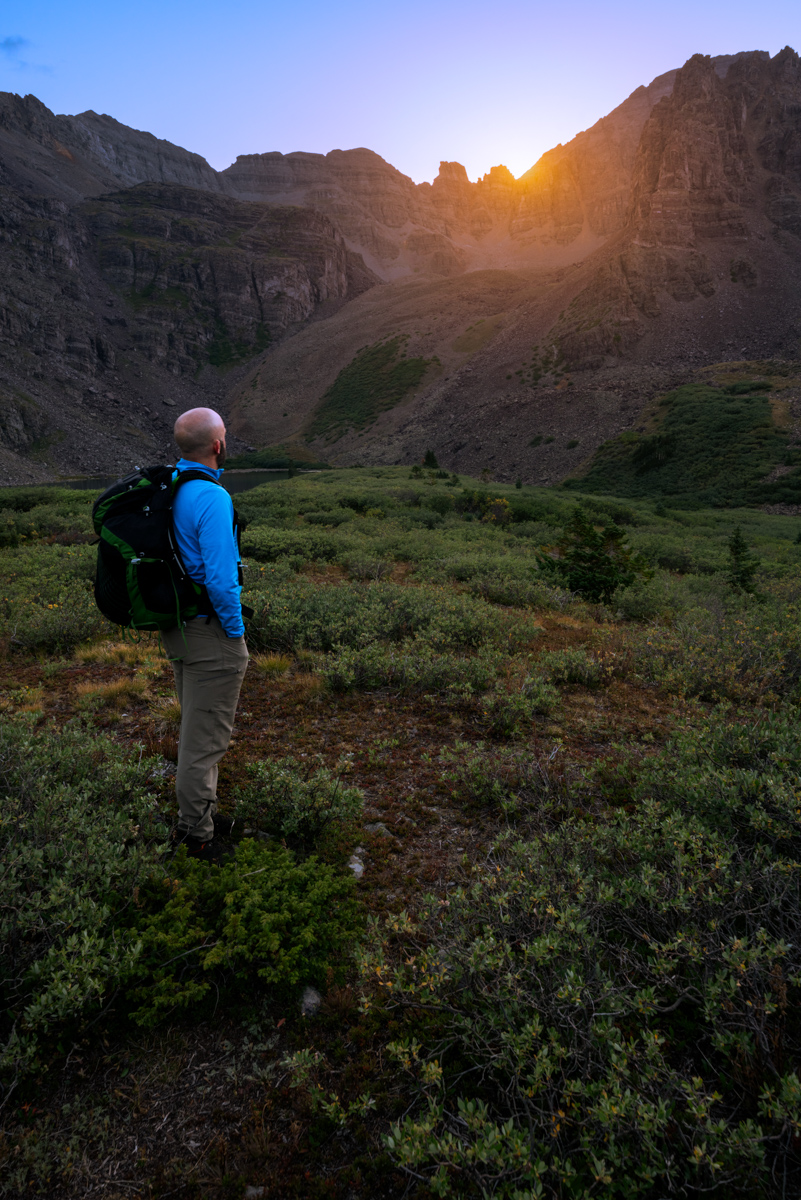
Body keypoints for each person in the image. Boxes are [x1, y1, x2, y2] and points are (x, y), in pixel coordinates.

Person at [162, 407, 249, 863]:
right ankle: (196, 836)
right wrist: (235, 632)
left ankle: (203, 814)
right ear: (218, 445)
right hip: (209, 633)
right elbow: (220, 579)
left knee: (195, 727)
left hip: (179, 630)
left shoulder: (172, 489)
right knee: (205, 740)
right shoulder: (212, 497)